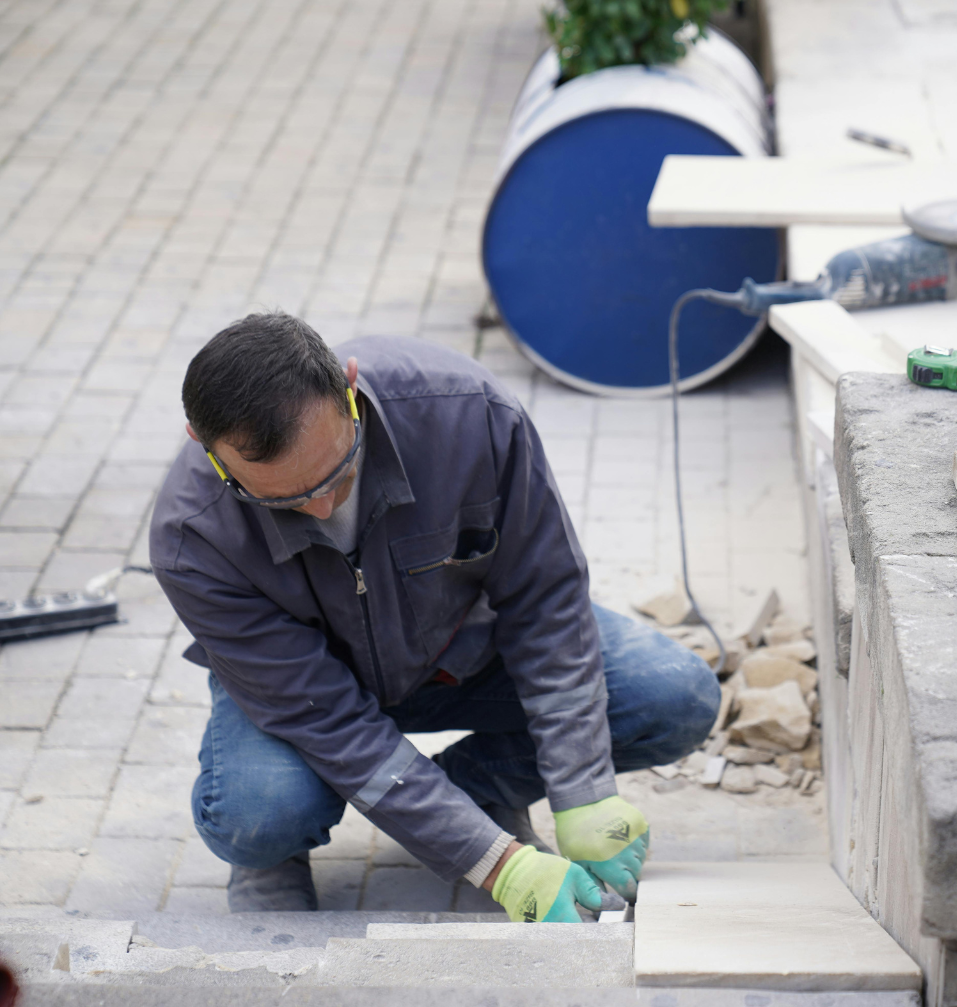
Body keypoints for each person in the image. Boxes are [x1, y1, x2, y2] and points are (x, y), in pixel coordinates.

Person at [150, 312, 721, 920]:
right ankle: (273, 858)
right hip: (305, 695)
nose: (319, 507)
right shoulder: (193, 538)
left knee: (674, 696)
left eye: (337, 472)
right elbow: (332, 724)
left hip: (461, 653)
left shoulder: (467, 414)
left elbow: (545, 597)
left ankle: (477, 792)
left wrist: (583, 790)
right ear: (201, 443)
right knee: (257, 814)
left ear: (349, 385)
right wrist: (497, 865)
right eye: (282, 499)